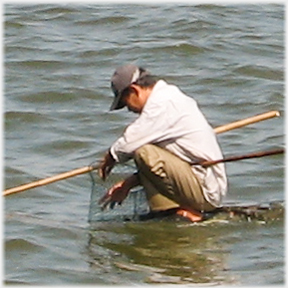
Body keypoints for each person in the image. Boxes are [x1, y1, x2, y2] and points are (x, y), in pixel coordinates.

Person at [98, 64, 227, 222]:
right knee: (146, 152)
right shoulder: (167, 98)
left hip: (206, 191)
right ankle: (171, 210)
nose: (129, 109)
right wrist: (127, 184)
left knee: (144, 152)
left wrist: (111, 156)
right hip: (194, 181)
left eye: (126, 102)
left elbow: (128, 144)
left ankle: (186, 211)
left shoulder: (163, 103)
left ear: (134, 91)